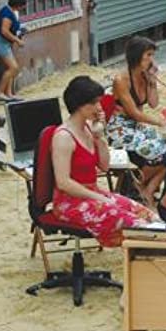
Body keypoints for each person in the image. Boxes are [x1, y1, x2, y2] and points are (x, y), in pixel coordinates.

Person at [51, 76, 154, 248]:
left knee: (147, 215)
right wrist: (98, 197)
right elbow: (63, 182)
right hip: (71, 202)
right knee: (135, 224)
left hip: (92, 193)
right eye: (94, 103)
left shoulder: (87, 129)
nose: (99, 108)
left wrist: (99, 137)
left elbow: (104, 166)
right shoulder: (63, 137)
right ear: (80, 105)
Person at [107, 36, 166, 206]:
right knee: (157, 151)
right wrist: (161, 123)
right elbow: (134, 113)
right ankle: (139, 187)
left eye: (152, 55)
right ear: (137, 56)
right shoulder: (121, 80)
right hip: (120, 128)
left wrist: (152, 81)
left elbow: (153, 103)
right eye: (148, 55)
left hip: (137, 126)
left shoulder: (144, 75)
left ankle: (146, 189)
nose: (152, 60)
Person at [0, 0, 28, 102]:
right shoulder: (7, 13)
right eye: (22, 5)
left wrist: (20, 30)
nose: (22, 8)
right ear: (18, 4)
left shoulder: (10, 11)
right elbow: (4, 31)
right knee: (13, 68)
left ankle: (9, 93)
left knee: (10, 68)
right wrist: (17, 40)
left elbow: (11, 29)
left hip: (4, 42)